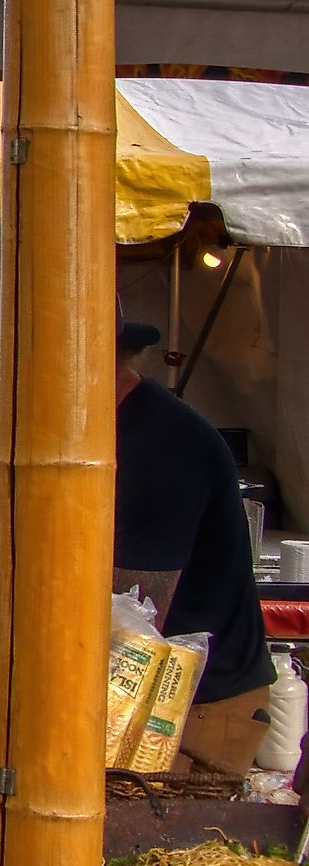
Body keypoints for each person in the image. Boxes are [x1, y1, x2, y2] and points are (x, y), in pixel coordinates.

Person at [115, 320, 275, 772]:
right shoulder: (123, 432)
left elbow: (134, 617)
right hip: (169, 696)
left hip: (197, 708)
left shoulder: (161, 445)